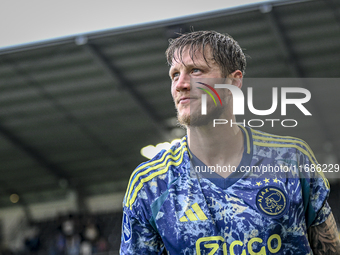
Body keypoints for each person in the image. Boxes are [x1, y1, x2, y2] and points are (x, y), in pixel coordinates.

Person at [120, 31, 340, 254]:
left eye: (196, 71)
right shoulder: (151, 184)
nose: (181, 84)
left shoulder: (290, 159)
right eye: (175, 75)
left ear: (234, 81)